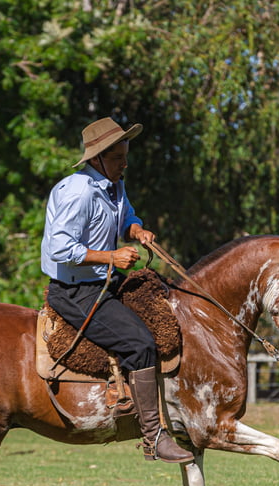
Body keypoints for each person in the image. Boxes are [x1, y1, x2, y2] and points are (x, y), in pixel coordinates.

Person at [41, 116, 194, 464]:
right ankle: (153, 437)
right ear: (96, 159)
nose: (124, 163)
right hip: (75, 291)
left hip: (103, 283)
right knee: (140, 344)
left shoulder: (114, 184)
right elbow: (59, 249)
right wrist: (110, 255)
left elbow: (125, 215)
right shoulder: (77, 192)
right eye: (117, 157)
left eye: (125, 155)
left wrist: (136, 230)